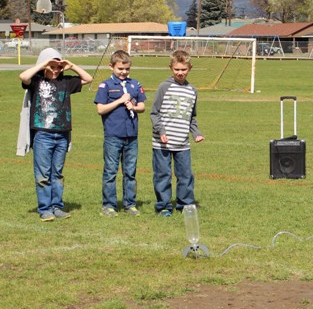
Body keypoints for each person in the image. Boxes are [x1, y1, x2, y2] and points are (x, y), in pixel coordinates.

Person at [19, 48, 93, 222]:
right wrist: (43, 65)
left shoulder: (66, 82)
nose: (55, 71)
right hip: (43, 134)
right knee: (43, 174)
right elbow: (23, 77)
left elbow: (88, 79)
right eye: (52, 67)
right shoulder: (36, 81)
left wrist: (71, 65)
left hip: (62, 134)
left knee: (57, 173)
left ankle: (57, 206)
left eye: (58, 67)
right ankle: (45, 208)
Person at [149, 50, 205, 217]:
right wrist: (161, 131)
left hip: (183, 143)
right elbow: (154, 113)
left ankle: (185, 205)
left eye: (183, 70)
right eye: (177, 70)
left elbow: (191, 116)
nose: (180, 73)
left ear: (190, 68)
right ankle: (163, 206)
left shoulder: (192, 91)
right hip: (162, 143)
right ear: (171, 68)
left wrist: (196, 133)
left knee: (185, 176)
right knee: (163, 175)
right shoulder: (164, 87)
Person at [95, 50, 146, 217]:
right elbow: (100, 109)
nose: (124, 72)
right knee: (110, 172)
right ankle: (108, 205)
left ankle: (129, 204)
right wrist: (119, 101)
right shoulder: (105, 86)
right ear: (111, 67)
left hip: (131, 135)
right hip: (113, 135)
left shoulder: (135, 85)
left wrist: (134, 107)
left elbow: (142, 107)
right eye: (120, 69)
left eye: (127, 69)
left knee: (130, 172)